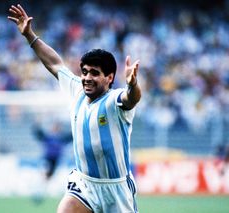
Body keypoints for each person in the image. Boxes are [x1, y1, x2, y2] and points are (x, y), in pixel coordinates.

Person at [8, 4, 141, 213]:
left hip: (116, 189)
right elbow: (55, 64)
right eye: (85, 72)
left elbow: (131, 98)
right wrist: (30, 36)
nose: (87, 77)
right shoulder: (77, 91)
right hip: (84, 183)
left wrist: (133, 84)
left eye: (94, 73)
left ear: (109, 78)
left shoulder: (114, 101)